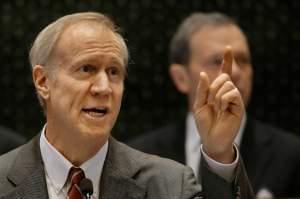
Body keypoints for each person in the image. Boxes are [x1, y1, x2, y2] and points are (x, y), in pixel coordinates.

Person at [0, 12, 253, 198]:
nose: (104, 87)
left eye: (113, 72)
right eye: (86, 69)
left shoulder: (170, 185)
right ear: (43, 81)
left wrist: (219, 152)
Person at [128, 12, 300, 198]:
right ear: (181, 78)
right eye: (218, 61)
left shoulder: (290, 154)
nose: (234, 71)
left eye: (242, 60)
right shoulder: (140, 155)